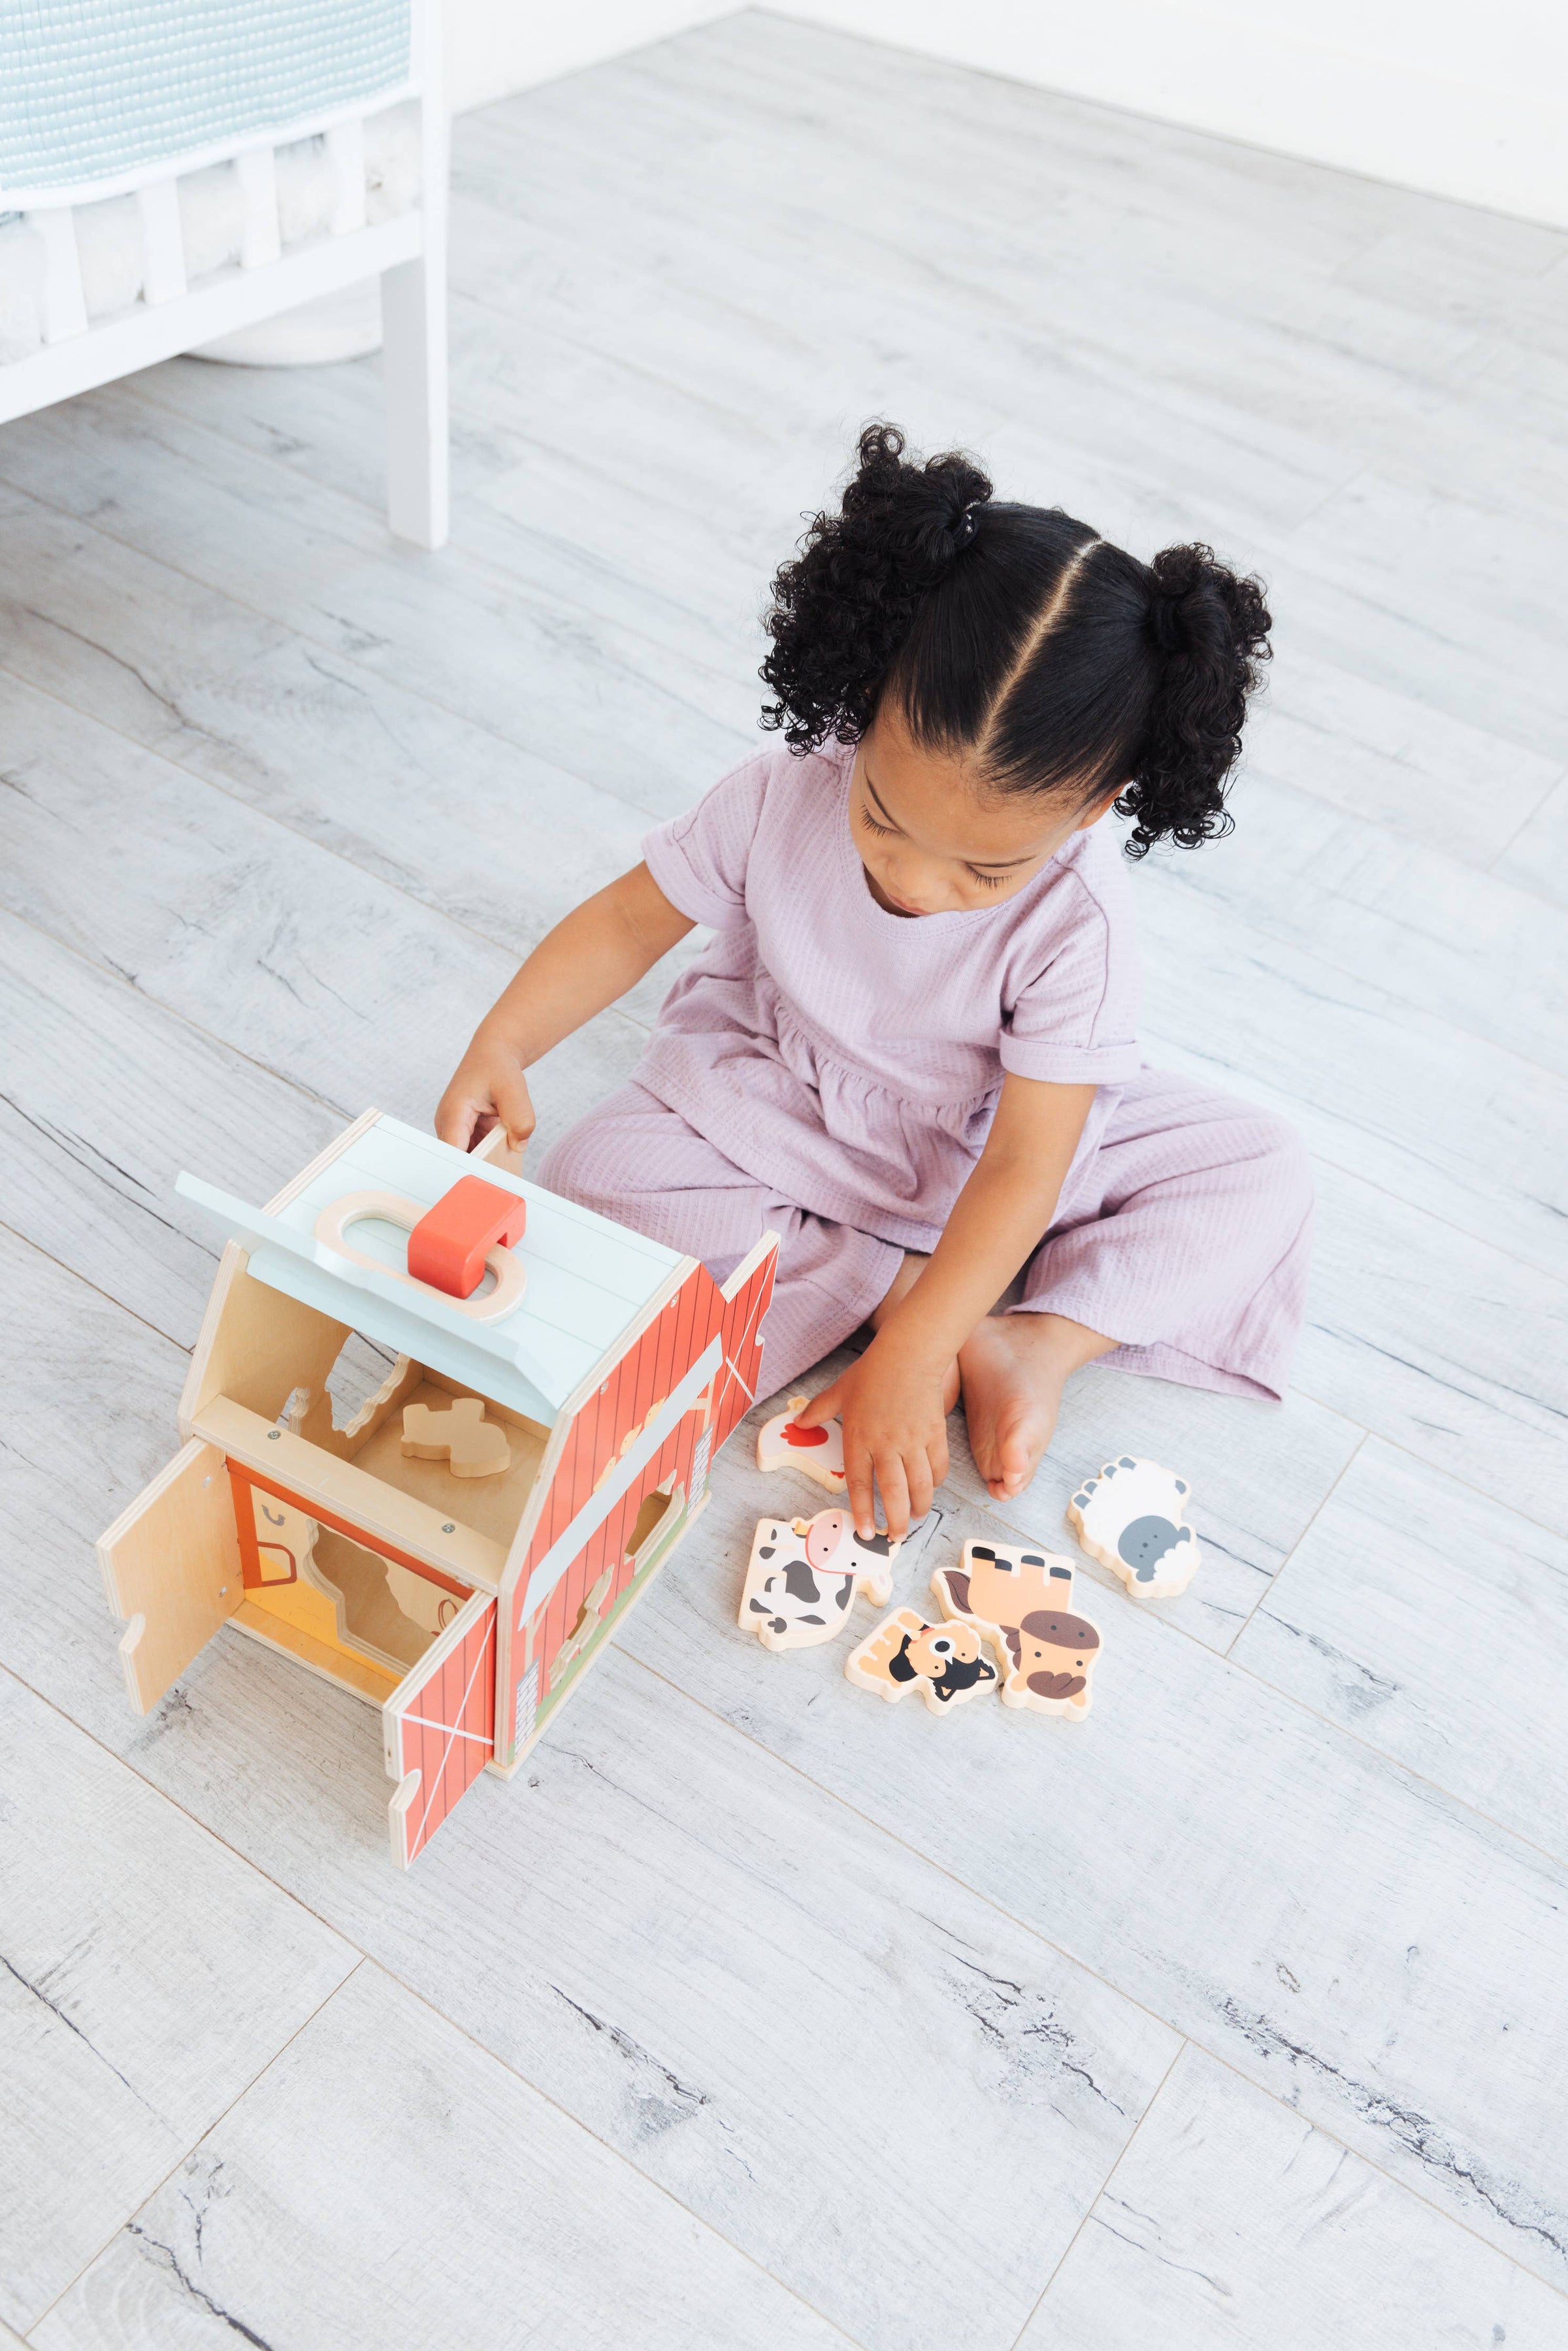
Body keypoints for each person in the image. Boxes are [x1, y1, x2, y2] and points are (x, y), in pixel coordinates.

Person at [436, 424, 1313, 1542]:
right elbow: (625, 920)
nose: (915, 881)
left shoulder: (1079, 923)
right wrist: (505, 1041)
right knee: (594, 1175)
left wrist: (921, 1347)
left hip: (979, 1154)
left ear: (1097, 806)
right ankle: (905, 1285)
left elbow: (1027, 1163)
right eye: (883, 819)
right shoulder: (783, 789)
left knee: (1261, 1168)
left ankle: (1027, 1340)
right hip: (773, 1099)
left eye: (984, 870)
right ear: (865, 695)